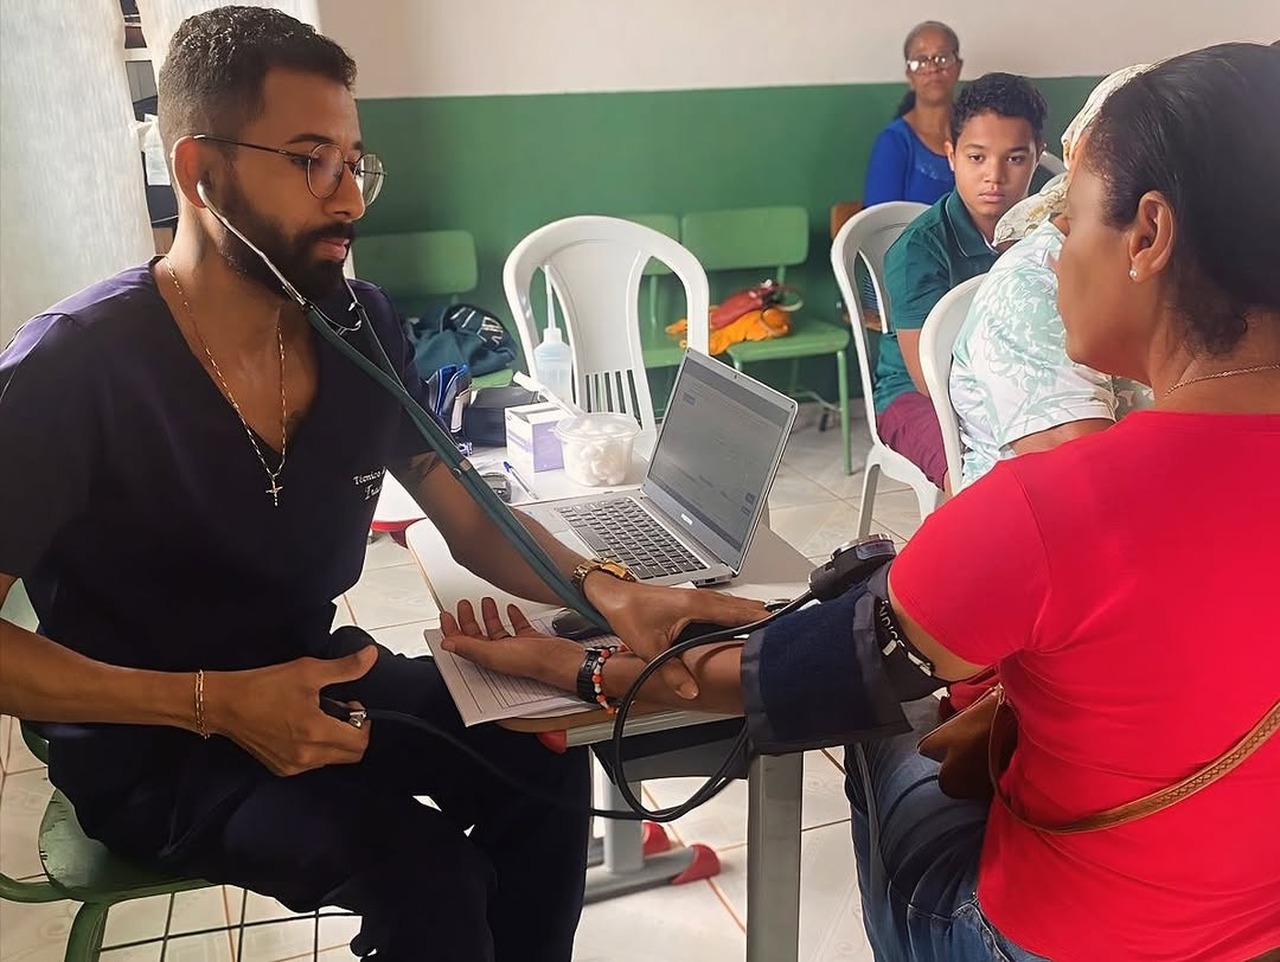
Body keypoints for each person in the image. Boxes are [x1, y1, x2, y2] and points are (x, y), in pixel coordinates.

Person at [437, 42, 1280, 960]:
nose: (1049, 255)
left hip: (1059, 942)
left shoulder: (1055, 504)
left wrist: (574, 667)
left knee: (889, 718)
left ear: (1148, 235)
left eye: (1064, 221)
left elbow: (787, 680)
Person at [0, 8, 764, 962]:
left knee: (545, 765)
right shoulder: (73, 369)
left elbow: (464, 509)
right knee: (428, 878)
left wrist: (610, 590)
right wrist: (211, 702)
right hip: (157, 747)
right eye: (311, 161)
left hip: (320, 677)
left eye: (356, 165)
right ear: (200, 173)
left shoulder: (354, 326)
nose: (349, 200)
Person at [950, 65, 1152, 489]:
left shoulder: (1187, 275)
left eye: (1015, 157)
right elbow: (1086, 485)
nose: (994, 175)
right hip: (1052, 518)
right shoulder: (1031, 292)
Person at [874, 73, 1047, 490]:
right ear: (951, 155)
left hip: (1019, 378)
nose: (994, 176)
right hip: (916, 394)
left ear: (1038, 157)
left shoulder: (1046, 233)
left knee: (1078, 451)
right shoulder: (917, 251)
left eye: (1015, 159)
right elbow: (929, 379)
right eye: (977, 158)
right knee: (971, 471)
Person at [863, 21, 962, 209]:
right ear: (909, 75)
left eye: (942, 58)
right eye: (921, 61)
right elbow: (881, 220)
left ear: (958, 66)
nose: (933, 68)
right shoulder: (895, 141)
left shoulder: (975, 134)